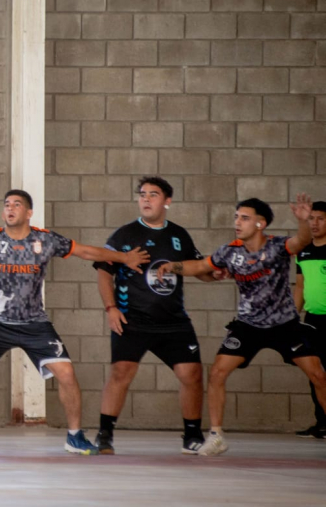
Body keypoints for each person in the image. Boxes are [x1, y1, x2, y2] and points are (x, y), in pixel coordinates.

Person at [0, 189, 150, 455]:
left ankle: (75, 436)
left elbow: (85, 252)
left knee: (67, 374)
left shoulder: (45, 240)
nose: (10, 208)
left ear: (28, 213)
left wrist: (125, 258)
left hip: (35, 323)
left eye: (17, 204)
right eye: (6, 204)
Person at [157, 194, 326, 456]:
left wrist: (304, 221)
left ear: (260, 224)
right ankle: (216, 436)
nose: (238, 222)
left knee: (318, 375)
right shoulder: (230, 251)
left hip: (285, 324)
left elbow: (301, 240)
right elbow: (201, 265)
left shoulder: (277, 246)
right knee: (217, 373)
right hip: (247, 325)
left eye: (244, 218)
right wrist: (173, 266)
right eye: (237, 217)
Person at [94, 176, 220, 455]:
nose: (146, 199)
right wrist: (111, 308)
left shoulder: (179, 235)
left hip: (174, 321)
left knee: (192, 374)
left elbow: (198, 268)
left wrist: (215, 274)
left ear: (167, 201)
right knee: (120, 373)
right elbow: (104, 273)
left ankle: (191, 436)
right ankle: (105, 435)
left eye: (153, 194)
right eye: (142, 194)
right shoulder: (124, 236)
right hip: (132, 319)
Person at [293, 201, 326, 439]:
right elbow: (301, 286)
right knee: (315, 374)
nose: (314, 223)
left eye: (320, 219)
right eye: (311, 218)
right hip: (312, 320)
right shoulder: (303, 251)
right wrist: (292, 317)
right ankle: (321, 423)